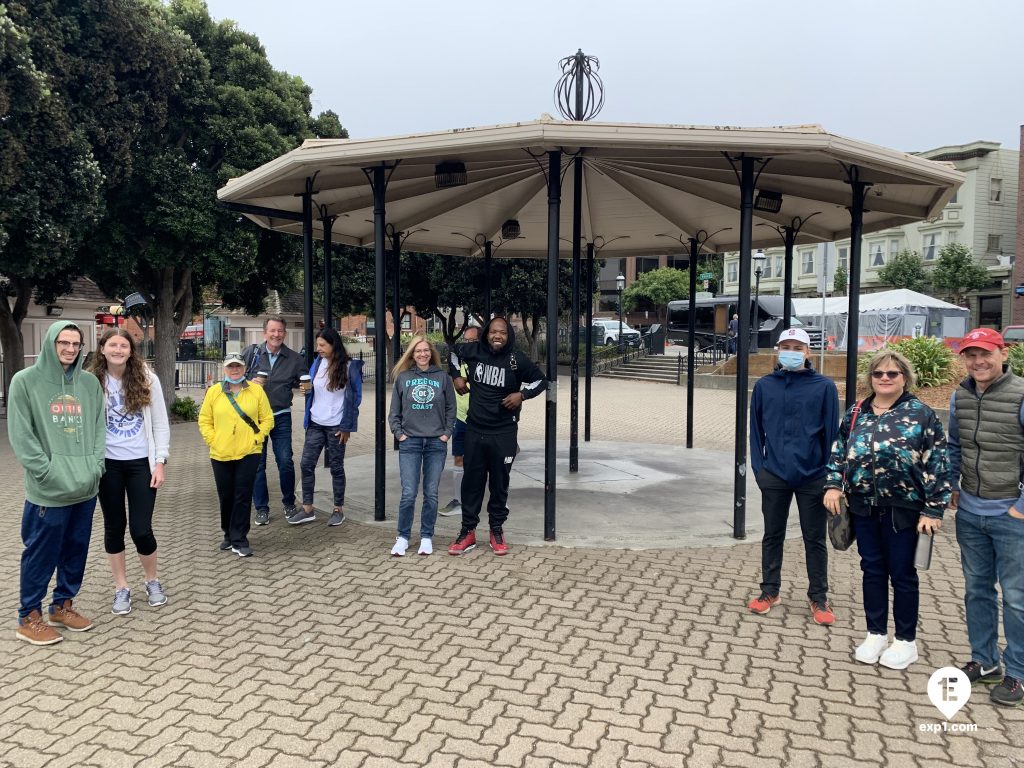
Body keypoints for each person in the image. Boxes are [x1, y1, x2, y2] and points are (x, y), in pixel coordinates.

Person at [824, 349, 950, 670]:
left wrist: (933, 510)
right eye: (878, 373)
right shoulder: (856, 412)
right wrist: (834, 484)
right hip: (864, 505)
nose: (884, 378)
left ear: (904, 378)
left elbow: (938, 463)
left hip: (903, 509)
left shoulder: (921, 414)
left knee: (903, 574)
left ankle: (906, 641)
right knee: (872, 570)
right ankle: (875, 633)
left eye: (892, 374)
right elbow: (839, 450)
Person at [10, 321, 105, 645]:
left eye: (75, 344)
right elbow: (22, 437)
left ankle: (62, 606)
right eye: (63, 342)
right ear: (51, 343)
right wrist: (47, 473)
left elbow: (98, 429)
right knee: (41, 553)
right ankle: (29, 616)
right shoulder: (25, 382)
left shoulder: (90, 384)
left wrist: (95, 467)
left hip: (85, 488)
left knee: (76, 550)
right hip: (48, 491)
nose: (69, 349)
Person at [947, 327, 1024, 707]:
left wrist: (1020, 507)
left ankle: (1018, 674)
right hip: (971, 513)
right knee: (977, 591)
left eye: (985, 353)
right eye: (971, 354)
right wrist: (952, 485)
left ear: (1002, 353)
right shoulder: (960, 395)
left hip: (1013, 514)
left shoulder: (1021, 394)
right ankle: (985, 661)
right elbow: (953, 445)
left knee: (1016, 597)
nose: (978, 361)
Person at [748, 328, 839, 625]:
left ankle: (818, 597)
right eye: (785, 346)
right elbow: (755, 431)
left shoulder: (823, 387)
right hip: (773, 474)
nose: (791, 351)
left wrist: (830, 475)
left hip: (813, 475)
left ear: (808, 352)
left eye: (797, 347)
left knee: (814, 538)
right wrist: (759, 469)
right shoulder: (764, 386)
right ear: (777, 350)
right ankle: (769, 591)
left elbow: (831, 434)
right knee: (772, 535)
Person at [447, 317, 548, 556]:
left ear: (508, 335)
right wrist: (456, 376)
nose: (497, 336)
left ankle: (496, 529)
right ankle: (468, 531)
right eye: (493, 332)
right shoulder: (473, 351)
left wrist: (521, 395)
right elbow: (452, 352)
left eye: (502, 332)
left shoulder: (516, 360)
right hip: (475, 429)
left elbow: (541, 380)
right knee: (472, 482)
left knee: (499, 484)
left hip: (503, 432)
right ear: (487, 334)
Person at [89, 330, 171, 615]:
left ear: (131, 351)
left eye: (124, 345)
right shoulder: (92, 381)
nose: (118, 349)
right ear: (102, 349)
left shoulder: (147, 378)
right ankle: (121, 587)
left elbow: (160, 423)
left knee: (141, 528)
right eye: (112, 344)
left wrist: (160, 461)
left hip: (140, 464)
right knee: (114, 527)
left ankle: (152, 580)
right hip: (107, 465)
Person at [198, 354, 274, 557]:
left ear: (244, 368)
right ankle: (228, 534)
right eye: (230, 367)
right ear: (224, 369)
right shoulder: (214, 392)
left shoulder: (256, 390)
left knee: (242, 494)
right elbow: (204, 420)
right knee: (226, 495)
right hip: (220, 452)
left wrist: (257, 438)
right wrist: (212, 440)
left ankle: (240, 538)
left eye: (238, 366)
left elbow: (267, 418)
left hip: (249, 451)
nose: (234, 370)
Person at [387, 334, 456, 556]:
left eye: (426, 350)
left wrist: (446, 434)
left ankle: (427, 536)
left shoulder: (443, 377)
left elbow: (451, 409)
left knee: (431, 493)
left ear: (431, 353)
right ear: (412, 354)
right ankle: (403, 537)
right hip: (411, 442)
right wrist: (399, 434)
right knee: (408, 492)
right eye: (418, 351)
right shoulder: (404, 378)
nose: (423, 354)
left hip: (436, 442)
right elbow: (394, 413)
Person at [294, 328, 363, 526]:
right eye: (317, 345)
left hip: (336, 427)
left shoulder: (349, 367)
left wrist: (347, 425)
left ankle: (338, 509)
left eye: (323, 345)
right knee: (306, 464)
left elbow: (356, 398)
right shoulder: (317, 364)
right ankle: (308, 509)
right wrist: (305, 391)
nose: (319, 349)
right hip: (315, 423)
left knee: (336, 467)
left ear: (334, 345)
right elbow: (313, 391)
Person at [243, 317, 306, 526]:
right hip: (255, 419)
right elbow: (234, 379)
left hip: (281, 416)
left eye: (280, 331)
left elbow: (304, 381)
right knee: (257, 464)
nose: (276, 334)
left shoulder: (295, 359)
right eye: (272, 330)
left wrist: (308, 386)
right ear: (264, 333)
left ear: (284, 334)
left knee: (285, 461)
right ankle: (261, 508)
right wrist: (248, 384)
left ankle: (289, 503)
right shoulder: (251, 354)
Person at [439, 325, 480, 517]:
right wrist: (456, 376)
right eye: (467, 340)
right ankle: (459, 500)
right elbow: (452, 352)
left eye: (473, 341)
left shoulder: (486, 361)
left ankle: (493, 501)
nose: (469, 345)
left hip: (482, 418)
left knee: (485, 460)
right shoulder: (459, 359)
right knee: (459, 458)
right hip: (461, 417)